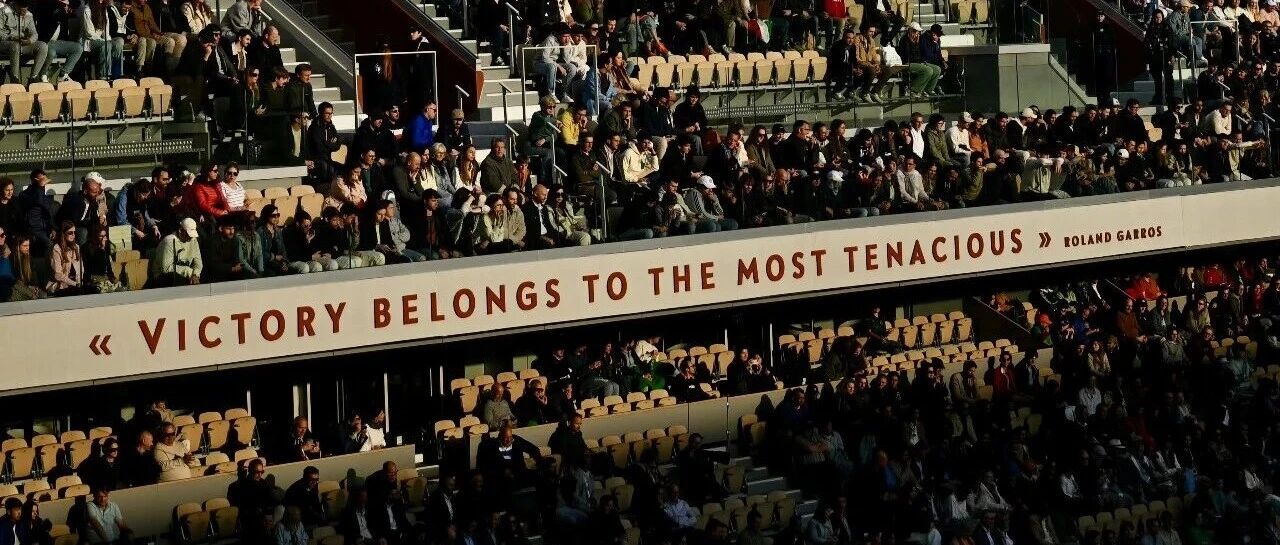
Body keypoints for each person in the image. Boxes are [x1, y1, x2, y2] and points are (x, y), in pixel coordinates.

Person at [0, 0, 49, 85]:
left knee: (43, 46)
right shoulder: (3, 11)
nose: (24, 12)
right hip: (5, 43)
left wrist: (29, 41)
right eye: (21, 10)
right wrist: (11, 37)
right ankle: (15, 79)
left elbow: (34, 34)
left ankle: (33, 78)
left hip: (22, 43)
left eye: (25, 9)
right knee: (15, 45)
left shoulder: (29, 15)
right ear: (16, 5)